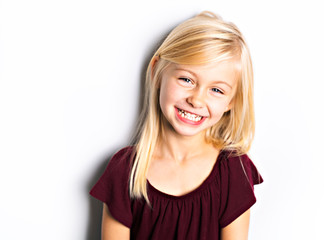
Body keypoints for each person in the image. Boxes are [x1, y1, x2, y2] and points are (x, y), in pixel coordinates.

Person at [90, 11, 263, 240]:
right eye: (187, 80)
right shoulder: (124, 171)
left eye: (216, 90)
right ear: (156, 72)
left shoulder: (234, 170)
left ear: (231, 101)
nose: (197, 100)